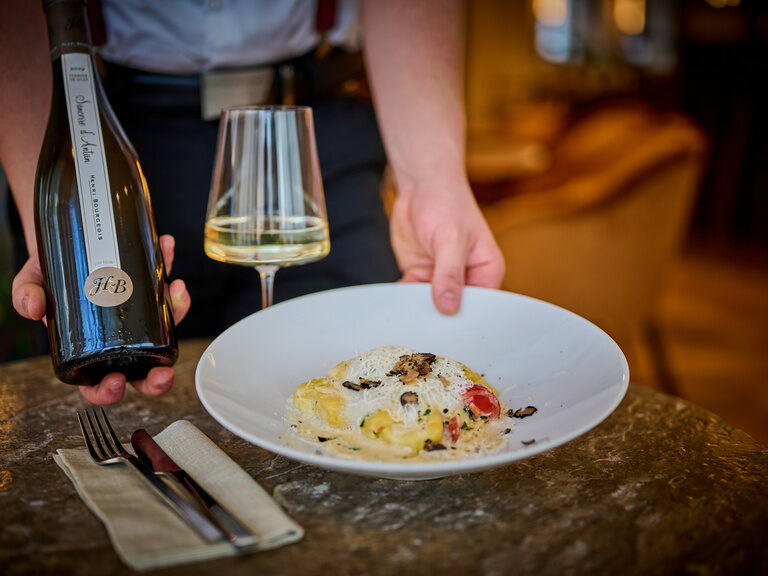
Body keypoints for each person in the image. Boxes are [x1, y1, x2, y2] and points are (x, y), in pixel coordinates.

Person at [0, 0, 505, 405]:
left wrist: (432, 181)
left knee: (362, 393)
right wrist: (52, 224)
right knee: (158, 412)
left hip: (316, 133)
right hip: (115, 142)